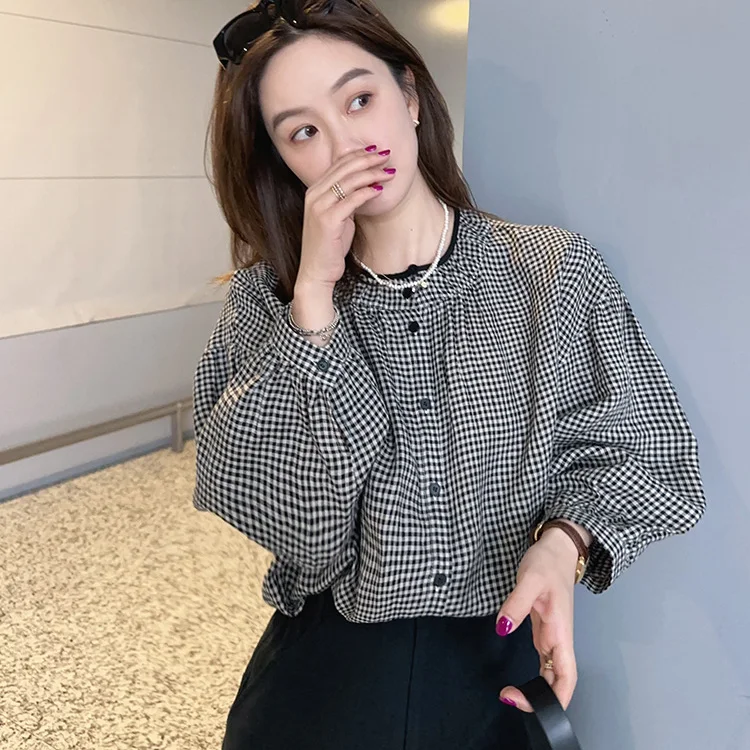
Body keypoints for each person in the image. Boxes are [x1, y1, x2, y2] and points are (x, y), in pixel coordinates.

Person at [191, 1, 707, 748]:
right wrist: (314, 306)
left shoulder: (552, 273)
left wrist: (564, 541)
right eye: (303, 132)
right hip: (326, 677)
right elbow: (306, 532)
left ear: (409, 95)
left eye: (359, 99)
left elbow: (649, 454)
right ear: (283, 161)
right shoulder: (265, 304)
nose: (345, 146)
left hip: (494, 668)